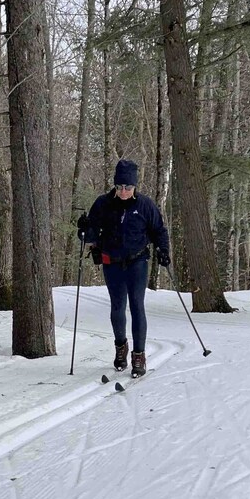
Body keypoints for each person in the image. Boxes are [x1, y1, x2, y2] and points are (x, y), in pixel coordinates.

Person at [76, 159, 170, 378]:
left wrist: (163, 250)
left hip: (137, 262)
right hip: (112, 263)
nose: (124, 191)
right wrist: (83, 229)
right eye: (120, 187)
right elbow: (90, 235)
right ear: (115, 186)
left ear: (134, 186)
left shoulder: (145, 205)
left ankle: (139, 355)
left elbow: (159, 230)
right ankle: (121, 347)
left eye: (128, 187)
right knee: (118, 306)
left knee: (137, 305)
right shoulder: (103, 204)